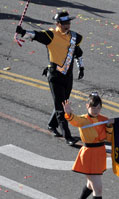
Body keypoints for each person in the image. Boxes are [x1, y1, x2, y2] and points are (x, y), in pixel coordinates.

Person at [16, 11, 84, 145]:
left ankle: (52, 125)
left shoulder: (73, 37)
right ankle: (68, 137)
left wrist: (81, 67)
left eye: (68, 23)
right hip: (54, 76)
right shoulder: (52, 35)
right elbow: (36, 35)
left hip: (67, 76)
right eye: (64, 23)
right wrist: (23, 32)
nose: (67, 25)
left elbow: (79, 53)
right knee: (61, 107)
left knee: (63, 102)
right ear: (57, 24)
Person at [62, 92, 114, 199]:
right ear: (87, 106)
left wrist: (109, 126)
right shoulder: (84, 119)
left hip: (100, 154)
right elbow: (74, 120)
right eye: (93, 107)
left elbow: (109, 139)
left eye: (98, 107)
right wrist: (68, 113)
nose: (95, 110)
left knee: (91, 185)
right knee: (98, 187)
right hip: (89, 154)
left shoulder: (104, 119)